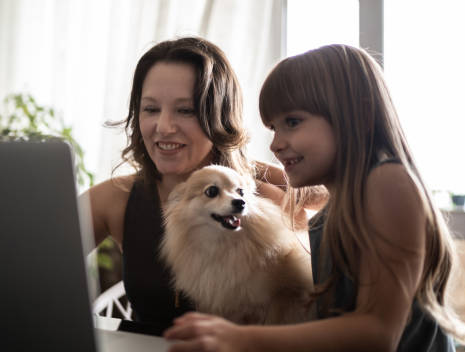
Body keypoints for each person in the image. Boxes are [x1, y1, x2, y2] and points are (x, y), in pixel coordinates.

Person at [163, 44, 465, 351]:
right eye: (273, 127)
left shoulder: (387, 181)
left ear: (353, 114)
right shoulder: (339, 204)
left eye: (292, 122)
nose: (276, 143)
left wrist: (243, 338)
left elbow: (378, 333)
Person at [81, 37, 315, 329]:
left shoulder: (266, 203)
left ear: (219, 116)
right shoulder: (116, 199)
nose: (164, 127)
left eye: (186, 110)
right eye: (151, 109)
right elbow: (31, 259)